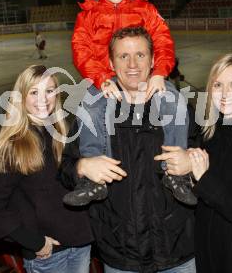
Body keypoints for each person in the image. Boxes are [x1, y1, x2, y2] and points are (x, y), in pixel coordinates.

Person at [59, 28, 196, 272]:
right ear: (111, 62)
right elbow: (65, 170)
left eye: (140, 55)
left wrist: (192, 162)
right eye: (123, 56)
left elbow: (207, 162)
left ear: (153, 60)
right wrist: (82, 167)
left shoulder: (179, 107)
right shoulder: (92, 111)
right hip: (121, 254)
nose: (132, 64)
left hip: (177, 252)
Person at [69, 0, 192, 204]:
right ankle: (93, 178)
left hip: (145, 77)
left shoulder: (146, 10)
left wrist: (159, 73)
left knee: (175, 100)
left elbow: (163, 41)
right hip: (103, 78)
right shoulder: (88, 15)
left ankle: (175, 171)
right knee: (88, 107)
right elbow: (81, 50)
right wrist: (100, 76)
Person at [156, 54, 232, 273]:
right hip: (209, 253)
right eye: (218, 85)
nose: (224, 94)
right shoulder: (209, 133)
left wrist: (203, 178)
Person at [0, 65, 93, 273]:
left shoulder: (61, 134)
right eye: (34, 92)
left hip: (80, 245)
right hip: (49, 256)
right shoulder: (15, 145)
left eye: (49, 91)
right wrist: (34, 242)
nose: (43, 99)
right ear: (21, 97)